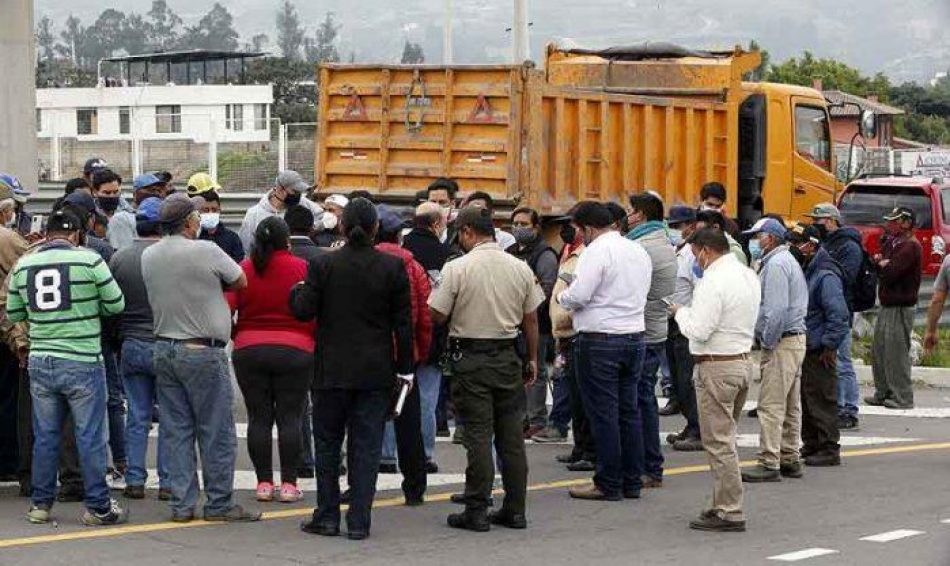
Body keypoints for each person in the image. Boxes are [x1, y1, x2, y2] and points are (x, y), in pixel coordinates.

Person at [290, 198, 413, 540]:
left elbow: (303, 310)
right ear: (375, 228)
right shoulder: (392, 267)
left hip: (331, 369)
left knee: (328, 444)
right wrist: (406, 370)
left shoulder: (324, 266)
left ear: (342, 227)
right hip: (375, 371)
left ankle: (327, 515)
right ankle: (360, 520)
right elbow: (403, 326)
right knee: (366, 446)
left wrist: (297, 291)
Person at [141, 193, 259, 523]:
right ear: (190, 222)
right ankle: (219, 503)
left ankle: (181, 504)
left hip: (165, 347)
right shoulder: (206, 249)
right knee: (215, 430)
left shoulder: (149, 256)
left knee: (176, 430)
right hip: (202, 350)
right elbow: (240, 279)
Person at [7, 209, 128, 526]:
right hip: (82, 358)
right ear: (75, 235)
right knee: (89, 435)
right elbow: (116, 303)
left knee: (45, 435)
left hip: (41, 359)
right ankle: (98, 506)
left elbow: (15, 310)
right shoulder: (90, 261)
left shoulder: (25, 264)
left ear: (46, 235)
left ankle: (40, 504)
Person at [429, 206, 543, 532]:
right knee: (511, 438)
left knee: (478, 435)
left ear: (466, 232)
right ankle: (515, 509)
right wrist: (532, 358)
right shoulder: (520, 267)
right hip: (508, 356)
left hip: (471, 358)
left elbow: (436, 313)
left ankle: (476, 509)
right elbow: (531, 317)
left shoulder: (457, 268)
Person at [557, 201, 651, 501]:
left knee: (603, 414)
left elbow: (581, 294)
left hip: (600, 340)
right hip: (634, 335)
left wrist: (564, 296)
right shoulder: (636, 249)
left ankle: (608, 481)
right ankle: (631, 480)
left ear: (586, 228)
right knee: (629, 411)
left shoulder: (596, 251)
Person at [671, 227, 760, 532]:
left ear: (706, 251)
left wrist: (681, 313)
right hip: (742, 362)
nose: (695, 261)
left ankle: (729, 510)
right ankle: (720, 502)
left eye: (695, 255)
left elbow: (700, 330)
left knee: (718, 443)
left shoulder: (712, 281)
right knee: (726, 438)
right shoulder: (748, 275)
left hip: (716, 366)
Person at [227, 217, 314, 504]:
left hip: (250, 349)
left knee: (259, 418)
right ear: (286, 241)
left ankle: (263, 482)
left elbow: (227, 307)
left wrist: (236, 335)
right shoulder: (302, 268)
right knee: (291, 417)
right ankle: (289, 484)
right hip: (296, 349)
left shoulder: (245, 268)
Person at [109, 197, 170, 500]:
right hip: (165, 340)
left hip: (131, 343)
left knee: (137, 415)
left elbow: (111, 304)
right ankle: (168, 481)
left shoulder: (120, 258)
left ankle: (134, 479)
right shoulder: (169, 256)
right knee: (172, 414)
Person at [742, 217, 807, 483]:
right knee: (791, 403)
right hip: (794, 340)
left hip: (782, 341)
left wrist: (767, 341)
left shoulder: (777, 264)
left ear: (769, 238)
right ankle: (789, 456)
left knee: (771, 404)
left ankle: (769, 461)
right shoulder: (785, 260)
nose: (755, 242)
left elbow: (776, 310)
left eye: (758, 237)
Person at [374, 205, 430, 498]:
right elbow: (423, 313)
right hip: (406, 353)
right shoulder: (413, 266)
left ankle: (361, 484)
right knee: (409, 421)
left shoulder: (366, 262)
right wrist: (420, 350)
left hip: (371, 353)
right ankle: (415, 485)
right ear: (399, 235)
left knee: (366, 420)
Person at [625, 193, 676, 488]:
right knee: (642, 397)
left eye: (630, 212)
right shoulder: (661, 241)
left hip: (644, 329)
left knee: (640, 400)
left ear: (641, 215)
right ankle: (648, 463)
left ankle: (649, 465)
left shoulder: (643, 247)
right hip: (654, 328)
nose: (627, 217)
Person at [787, 223, 849, 467]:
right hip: (809, 344)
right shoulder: (809, 269)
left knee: (822, 397)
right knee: (808, 397)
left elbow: (838, 314)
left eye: (797, 242)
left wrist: (829, 345)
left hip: (819, 349)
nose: (793, 247)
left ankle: (828, 447)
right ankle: (812, 444)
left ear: (811, 245)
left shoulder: (825, 275)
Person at [804, 203, 863, 430]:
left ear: (830, 220)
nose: (814, 225)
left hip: (839, 310)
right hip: (824, 312)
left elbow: (846, 277)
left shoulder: (849, 246)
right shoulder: (828, 244)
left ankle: (849, 408)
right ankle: (837, 405)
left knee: (843, 362)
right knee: (834, 364)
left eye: (817, 221)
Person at [402, 202, 451, 468]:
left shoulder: (401, 249)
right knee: (427, 400)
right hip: (433, 336)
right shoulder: (446, 254)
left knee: (395, 397)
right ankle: (425, 454)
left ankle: (389, 454)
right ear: (436, 224)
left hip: (400, 337)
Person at [550, 215, 597, 469]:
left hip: (574, 331)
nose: (567, 230)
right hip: (565, 333)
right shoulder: (568, 252)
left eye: (574, 226)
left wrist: (564, 313)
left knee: (582, 396)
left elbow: (579, 295)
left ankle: (588, 449)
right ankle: (580, 447)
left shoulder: (586, 256)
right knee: (572, 391)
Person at [507, 207, 559, 440]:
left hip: (538, 324)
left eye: (524, 224)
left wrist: (522, 302)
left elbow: (546, 290)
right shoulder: (510, 251)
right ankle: (522, 418)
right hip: (512, 322)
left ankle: (537, 419)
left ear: (536, 228)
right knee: (517, 373)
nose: (518, 228)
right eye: (515, 223)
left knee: (534, 372)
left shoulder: (544, 254)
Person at [867, 207, 922, 410]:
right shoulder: (893, 242)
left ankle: (903, 397)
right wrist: (881, 262)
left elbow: (891, 272)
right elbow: (880, 263)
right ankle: (883, 392)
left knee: (897, 353)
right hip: (888, 303)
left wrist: (883, 264)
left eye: (895, 221)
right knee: (880, 350)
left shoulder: (910, 247)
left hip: (900, 306)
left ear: (906, 223)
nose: (889, 224)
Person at [664, 206, 705, 451]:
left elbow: (699, 288)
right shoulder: (679, 251)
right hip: (674, 319)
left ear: (690, 226)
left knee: (689, 379)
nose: (674, 231)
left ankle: (698, 429)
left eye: (677, 227)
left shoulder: (693, 254)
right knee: (680, 379)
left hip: (686, 322)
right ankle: (691, 425)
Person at [0, 181, 28, 482]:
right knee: (9, 398)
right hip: (4, 327)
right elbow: (27, 266)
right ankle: (8, 461)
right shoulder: (8, 238)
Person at [238, 170, 322, 251]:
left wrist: (313, 226)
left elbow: (324, 217)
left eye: (299, 192)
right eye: (294, 191)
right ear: (280, 189)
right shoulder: (254, 214)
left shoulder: (302, 202)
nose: (298, 195)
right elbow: (245, 246)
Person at [108, 173, 166, 251]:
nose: (156, 193)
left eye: (159, 190)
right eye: (151, 190)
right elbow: (126, 252)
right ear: (135, 194)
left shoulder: (164, 216)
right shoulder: (122, 218)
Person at [193, 186, 245, 262]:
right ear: (198, 212)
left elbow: (239, 265)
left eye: (214, 210)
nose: (210, 213)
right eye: (206, 210)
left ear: (220, 210)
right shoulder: (194, 238)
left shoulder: (232, 238)